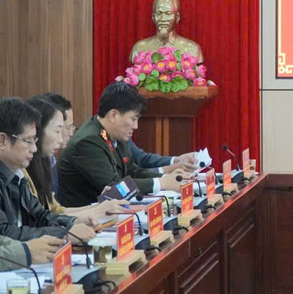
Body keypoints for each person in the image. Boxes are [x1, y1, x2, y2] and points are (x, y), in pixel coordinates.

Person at [57, 82, 185, 207]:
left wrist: (169, 178)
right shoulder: (88, 142)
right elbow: (115, 188)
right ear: (113, 115)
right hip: (86, 216)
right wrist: (161, 183)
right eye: (133, 119)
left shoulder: (114, 134)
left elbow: (132, 171)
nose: (136, 126)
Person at [0, 97, 96, 243]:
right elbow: (5, 233)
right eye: (28, 141)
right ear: (2, 141)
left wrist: (73, 222)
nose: (34, 148)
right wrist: (63, 234)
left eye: (35, 141)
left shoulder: (16, 174)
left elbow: (39, 215)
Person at [26, 96, 125, 222]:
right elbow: (42, 220)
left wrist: (98, 207)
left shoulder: (45, 161)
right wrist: (95, 211)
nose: (62, 138)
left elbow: (55, 210)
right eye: (58, 131)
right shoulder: (22, 172)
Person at [129, 0, 203, 62]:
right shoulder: (139, 48)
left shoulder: (192, 49)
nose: (163, 19)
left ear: (177, 17)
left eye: (168, 13)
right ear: (153, 17)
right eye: (159, 13)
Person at [40, 93, 73, 196]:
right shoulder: (29, 164)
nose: (71, 133)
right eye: (68, 127)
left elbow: (54, 204)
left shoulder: (51, 158)